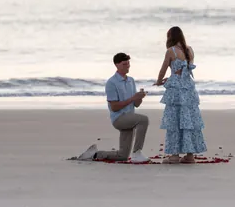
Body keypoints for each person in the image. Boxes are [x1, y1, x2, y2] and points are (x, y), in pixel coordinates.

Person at [77, 52, 150, 163]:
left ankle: (95, 154)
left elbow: (136, 104)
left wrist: (139, 97)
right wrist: (132, 98)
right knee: (144, 120)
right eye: (124, 64)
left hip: (130, 118)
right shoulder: (111, 83)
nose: (127, 66)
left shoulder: (131, 81)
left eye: (128, 64)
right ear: (117, 65)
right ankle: (137, 152)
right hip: (119, 118)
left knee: (122, 156)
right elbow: (114, 107)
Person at [154, 26, 206, 164]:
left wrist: (159, 81)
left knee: (175, 120)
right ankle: (190, 155)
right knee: (189, 120)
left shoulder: (171, 51)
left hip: (176, 89)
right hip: (188, 87)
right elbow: (186, 70)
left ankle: (175, 155)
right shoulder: (189, 50)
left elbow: (163, 69)